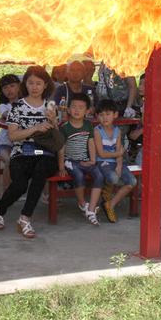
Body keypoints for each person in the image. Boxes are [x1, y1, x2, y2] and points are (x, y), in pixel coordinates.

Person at [0, 65, 58, 238]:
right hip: (23, 152)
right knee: (20, 184)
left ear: (45, 85)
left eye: (38, 83)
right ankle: (0, 210)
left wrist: (54, 121)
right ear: (25, 85)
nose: (34, 87)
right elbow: (13, 136)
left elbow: (56, 136)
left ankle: (25, 218)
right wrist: (35, 128)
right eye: (30, 83)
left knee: (40, 171)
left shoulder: (50, 106)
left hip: (43, 153)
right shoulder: (17, 107)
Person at [57, 93, 104, 226]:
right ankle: (82, 203)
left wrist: (93, 160)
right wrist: (61, 167)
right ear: (68, 109)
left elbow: (91, 143)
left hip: (85, 159)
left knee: (99, 175)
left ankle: (91, 209)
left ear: (87, 111)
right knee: (78, 175)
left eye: (81, 107)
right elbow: (61, 148)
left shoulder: (88, 125)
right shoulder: (65, 127)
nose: (77, 110)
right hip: (70, 161)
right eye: (74, 107)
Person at [94, 99, 137, 223]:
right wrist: (118, 153)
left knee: (132, 181)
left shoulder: (118, 131)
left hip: (116, 161)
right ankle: (106, 192)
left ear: (115, 115)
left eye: (108, 114)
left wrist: (119, 165)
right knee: (113, 178)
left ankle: (110, 205)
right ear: (97, 117)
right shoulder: (97, 131)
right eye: (101, 115)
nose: (104, 118)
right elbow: (101, 153)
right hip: (103, 161)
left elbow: (119, 151)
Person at [0, 74, 22, 194]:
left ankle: (45, 195)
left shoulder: (27, 103)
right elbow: (6, 114)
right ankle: (6, 193)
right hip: (3, 145)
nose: (9, 90)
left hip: (21, 144)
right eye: (5, 88)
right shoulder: (4, 106)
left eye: (12, 86)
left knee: (41, 156)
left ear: (19, 87)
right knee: (11, 161)